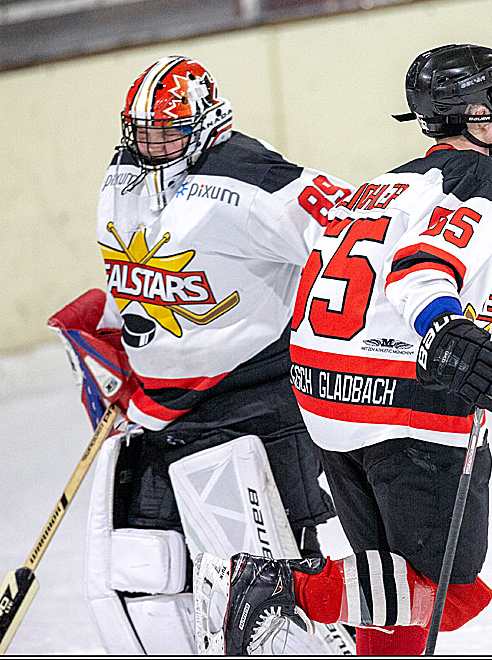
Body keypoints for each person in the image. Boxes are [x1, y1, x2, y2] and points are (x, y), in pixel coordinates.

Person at [218, 44, 492, 655]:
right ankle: (287, 590)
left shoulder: (382, 185)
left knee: (385, 590)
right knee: (447, 589)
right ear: (472, 114)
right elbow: (419, 272)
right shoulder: (481, 179)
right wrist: (448, 335)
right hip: (400, 406)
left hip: (324, 396)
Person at [49, 55, 356, 654]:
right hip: (162, 413)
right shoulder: (123, 174)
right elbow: (150, 274)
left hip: (255, 405)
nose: (151, 146)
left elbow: (350, 230)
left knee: (278, 585)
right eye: (141, 134)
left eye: (168, 133)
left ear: (208, 124)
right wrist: (114, 328)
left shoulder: (246, 176)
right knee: (150, 576)